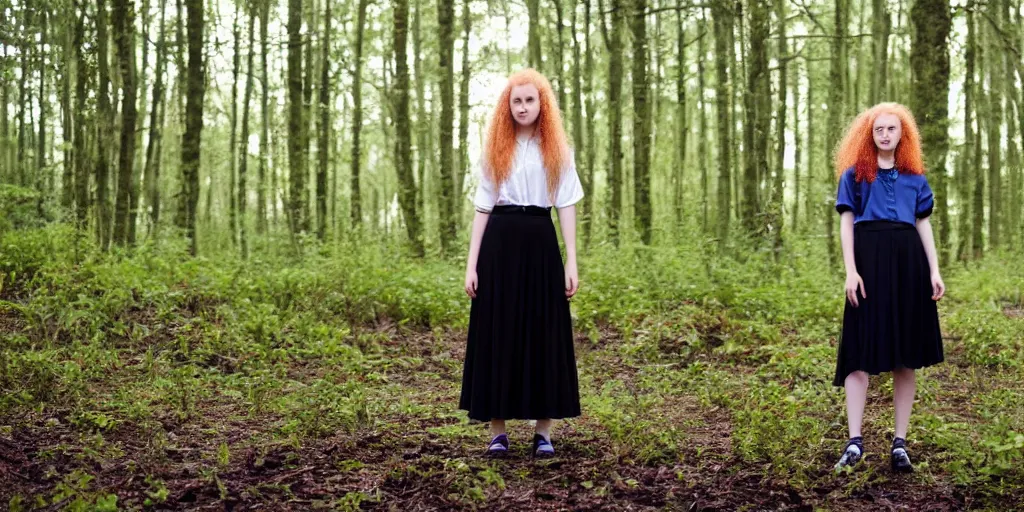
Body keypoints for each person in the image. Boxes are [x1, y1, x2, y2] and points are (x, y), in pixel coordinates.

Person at [460, 68, 583, 459]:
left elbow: (565, 203)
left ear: (541, 103)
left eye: (530, 100)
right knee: (499, 328)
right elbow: (483, 206)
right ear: (507, 106)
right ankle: (497, 429)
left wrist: (571, 261)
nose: (523, 107)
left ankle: (543, 431)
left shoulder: (557, 150)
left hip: (540, 243)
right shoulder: (496, 147)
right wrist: (472, 263)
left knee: (543, 328)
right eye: (517, 100)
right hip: (499, 245)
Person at [832, 103, 945, 473]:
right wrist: (851, 271)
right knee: (857, 350)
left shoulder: (916, 179)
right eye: (878, 129)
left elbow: (922, 225)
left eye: (891, 129)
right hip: (868, 262)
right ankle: (854, 442)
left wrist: (934, 270)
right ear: (870, 134)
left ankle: (900, 443)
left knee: (905, 355)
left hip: (908, 265)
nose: (884, 135)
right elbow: (847, 224)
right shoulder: (855, 175)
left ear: (902, 134)